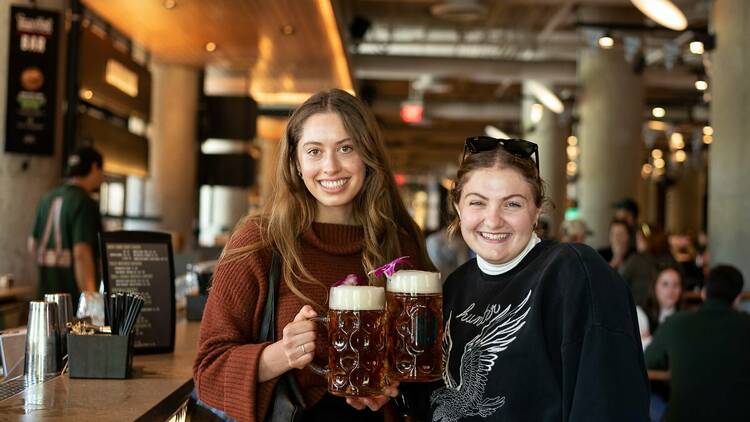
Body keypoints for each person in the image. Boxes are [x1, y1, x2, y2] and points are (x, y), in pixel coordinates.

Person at [193, 89, 434, 422]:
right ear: (296, 162)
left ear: (367, 154)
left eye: (346, 148)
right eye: (314, 151)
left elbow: (425, 365)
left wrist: (390, 385)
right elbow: (208, 372)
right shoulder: (260, 241)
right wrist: (282, 354)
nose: (330, 167)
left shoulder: (400, 244)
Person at [429, 136, 649, 421]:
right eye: (477, 203)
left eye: (512, 205)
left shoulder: (572, 271)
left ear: (537, 211)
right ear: (458, 208)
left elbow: (610, 402)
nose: (493, 220)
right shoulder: (456, 284)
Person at [645, 265, 750, 422]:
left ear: (703, 293)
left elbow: (647, 362)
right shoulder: (746, 325)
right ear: (737, 298)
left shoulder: (676, 323)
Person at [28, 146, 104, 310]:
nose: (102, 177)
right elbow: (81, 254)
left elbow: (32, 245)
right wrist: (90, 302)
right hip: (71, 303)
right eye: (101, 171)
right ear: (94, 167)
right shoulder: (84, 202)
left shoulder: (47, 198)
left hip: (43, 300)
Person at [621, 223, 678, 307]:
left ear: (650, 239)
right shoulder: (671, 259)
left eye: (640, 239)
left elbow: (620, 282)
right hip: (666, 309)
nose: (637, 243)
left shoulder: (636, 260)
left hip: (639, 311)